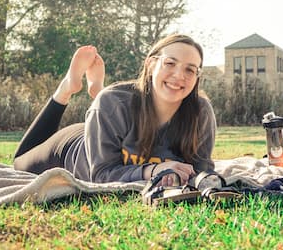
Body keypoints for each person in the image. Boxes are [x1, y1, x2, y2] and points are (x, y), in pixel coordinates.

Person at [13, 34, 217, 187]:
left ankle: (98, 92)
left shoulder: (201, 112)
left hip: (107, 126)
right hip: (71, 148)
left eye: (190, 69)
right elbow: (101, 175)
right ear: (151, 64)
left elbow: (202, 170)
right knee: (19, 163)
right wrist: (153, 170)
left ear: (197, 76)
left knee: (109, 105)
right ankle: (66, 88)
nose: (179, 75)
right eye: (170, 63)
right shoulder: (113, 103)